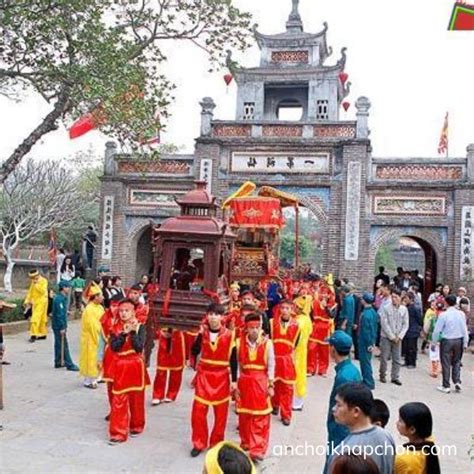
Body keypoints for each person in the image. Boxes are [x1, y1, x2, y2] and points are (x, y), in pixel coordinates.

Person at [190, 303, 236, 458]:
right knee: (198, 411)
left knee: (220, 413)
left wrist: (234, 380)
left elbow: (234, 359)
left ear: (222, 317)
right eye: (210, 314)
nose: (213, 317)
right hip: (204, 374)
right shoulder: (202, 333)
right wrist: (199, 335)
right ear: (206, 316)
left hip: (222, 376)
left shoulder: (230, 335)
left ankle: (216, 443)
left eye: (216, 314)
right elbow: (194, 351)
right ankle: (199, 442)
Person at [327, 383, 395, 474]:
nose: (334, 409)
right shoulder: (386, 436)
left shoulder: (344, 454)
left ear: (356, 411)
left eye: (339, 405)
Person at [108, 299, 150, 445]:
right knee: (118, 399)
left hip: (135, 365)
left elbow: (139, 347)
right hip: (120, 365)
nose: (124, 314)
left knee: (136, 399)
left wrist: (132, 333)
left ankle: (137, 426)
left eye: (127, 311)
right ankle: (118, 433)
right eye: (121, 311)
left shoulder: (140, 327)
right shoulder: (114, 328)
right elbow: (114, 347)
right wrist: (123, 334)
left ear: (133, 312)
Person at [235, 313, 275, 462]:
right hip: (244, 382)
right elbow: (237, 365)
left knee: (260, 417)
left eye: (257, 327)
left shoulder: (267, 343)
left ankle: (257, 449)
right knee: (244, 415)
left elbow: (271, 365)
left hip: (260, 383)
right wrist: (236, 384)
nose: (254, 331)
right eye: (251, 328)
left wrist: (271, 384)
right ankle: (245, 442)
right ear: (246, 328)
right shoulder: (239, 343)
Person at [326, 331, 362, 454]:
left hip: (340, 431)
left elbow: (343, 408)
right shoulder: (352, 370)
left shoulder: (343, 377)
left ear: (333, 350)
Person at [270, 299, 300, 426]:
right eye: (282, 308)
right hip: (274, 358)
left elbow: (296, 344)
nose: (284, 310)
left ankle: (286, 414)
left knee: (287, 388)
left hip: (287, 359)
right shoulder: (272, 323)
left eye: (287, 308)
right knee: (274, 384)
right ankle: (275, 405)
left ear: (292, 310)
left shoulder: (296, 325)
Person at [432, 294, 469, 393]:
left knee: (446, 362)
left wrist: (433, 342)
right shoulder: (461, 314)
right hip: (459, 339)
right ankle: (457, 381)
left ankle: (446, 385)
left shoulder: (443, 315)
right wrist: (466, 342)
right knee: (457, 361)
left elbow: (437, 330)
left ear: (446, 303)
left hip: (447, 340)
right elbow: (464, 328)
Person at [395, 402, 441, 474]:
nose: (397, 423)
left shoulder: (403, 459)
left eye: (400, 421)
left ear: (412, 429)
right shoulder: (429, 441)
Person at [379, 288, 409, 385]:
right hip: (386, 336)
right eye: (392, 297)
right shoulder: (386, 308)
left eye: (396, 297)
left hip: (398, 337)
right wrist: (391, 336)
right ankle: (382, 375)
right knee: (384, 357)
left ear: (400, 297)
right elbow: (384, 323)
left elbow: (406, 324)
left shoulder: (404, 309)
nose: (393, 299)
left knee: (397, 358)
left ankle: (395, 376)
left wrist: (400, 336)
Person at [79, 283, 105, 388]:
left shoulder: (100, 308)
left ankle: (98, 377)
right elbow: (92, 326)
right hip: (92, 338)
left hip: (100, 336)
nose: (102, 298)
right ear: (95, 297)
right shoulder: (89, 309)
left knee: (99, 357)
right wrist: (101, 335)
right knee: (91, 358)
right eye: (100, 295)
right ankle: (89, 381)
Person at [152, 328, 185, 405]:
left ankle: (171, 394)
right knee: (161, 369)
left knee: (176, 370)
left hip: (177, 337)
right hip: (163, 336)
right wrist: (160, 332)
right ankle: (157, 395)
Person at [51, 281, 79, 371]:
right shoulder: (59, 299)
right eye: (67, 287)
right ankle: (69, 364)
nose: (69, 289)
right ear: (63, 288)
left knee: (59, 343)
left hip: (58, 324)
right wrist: (62, 327)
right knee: (64, 344)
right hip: (59, 325)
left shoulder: (62, 298)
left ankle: (58, 361)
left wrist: (66, 312)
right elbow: (59, 314)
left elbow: (61, 311)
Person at [292, 295, 312, 411]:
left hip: (296, 352)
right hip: (303, 350)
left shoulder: (298, 321)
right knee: (301, 375)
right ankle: (298, 401)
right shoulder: (307, 319)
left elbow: (295, 339)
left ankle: (295, 402)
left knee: (295, 375)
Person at [307, 294, 334, 377]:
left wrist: (326, 308)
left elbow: (332, 316)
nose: (324, 299)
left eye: (326, 298)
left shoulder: (332, 306)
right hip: (315, 329)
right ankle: (310, 369)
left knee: (324, 351)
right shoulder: (314, 304)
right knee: (312, 349)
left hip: (325, 330)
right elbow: (311, 315)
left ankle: (323, 370)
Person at [358, 293, 378, 389]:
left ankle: (368, 382)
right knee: (367, 361)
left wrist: (369, 343)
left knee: (365, 362)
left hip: (365, 341)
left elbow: (366, 331)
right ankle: (367, 380)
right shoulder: (373, 312)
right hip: (370, 339)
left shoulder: (365, 314)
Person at [24, 269, 49, 343]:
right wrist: (27, 301)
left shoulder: (43, 281)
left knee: (35, 318)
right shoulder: (33, 282)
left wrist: (36, 284)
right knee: (41, 319)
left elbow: (43, 291)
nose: (32, 279)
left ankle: (33, 335)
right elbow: (30, 292)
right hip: (35, 302)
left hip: (42, 302)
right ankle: (42, 334)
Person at [403, 292, 423, 369]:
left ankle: (412, 362)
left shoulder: (415, 308)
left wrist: (420, 328)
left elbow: (419, 319)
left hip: (413, 330)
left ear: (411, 299)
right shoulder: (406, 308)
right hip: (407, 330)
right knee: (406, 347)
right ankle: (407, 361)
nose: (405, 300)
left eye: (406, 298)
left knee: (412, 347)